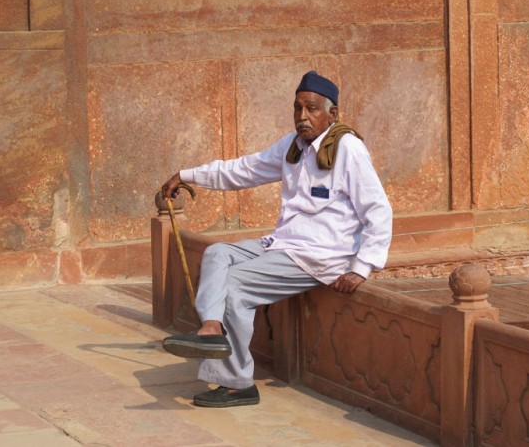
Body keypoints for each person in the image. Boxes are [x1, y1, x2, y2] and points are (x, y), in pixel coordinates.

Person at [161, 71, 393, 408]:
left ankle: (238, 384)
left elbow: (378, 209)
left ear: (333, 113)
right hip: (283, 245)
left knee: (235, 286)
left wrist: (362, 265)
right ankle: (211, 329)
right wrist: (186, 175)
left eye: (312, 108)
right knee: (217, 254)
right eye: (298, 108)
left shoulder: (348, 149)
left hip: (319, 256)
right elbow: (242, 170)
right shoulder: (292, 146)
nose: (302, 116)